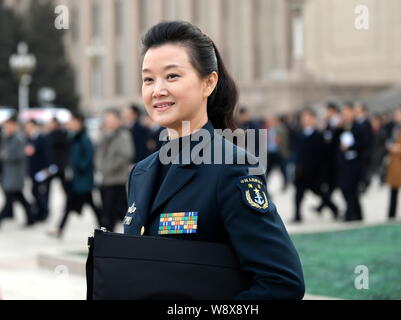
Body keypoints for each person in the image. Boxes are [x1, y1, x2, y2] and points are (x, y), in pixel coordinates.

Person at [123, 21, 305, 299]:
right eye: (148, 79)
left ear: (208, 82)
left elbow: (282, 282)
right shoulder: (140, 173)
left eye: (172, 76)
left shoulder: (231, 168)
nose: (157, 90)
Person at [48, 112, 102, 238]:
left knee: (90, 206)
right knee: (81, 205)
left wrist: (79, 168)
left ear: (78, 122)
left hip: (83, 179)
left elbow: (89, 157)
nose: (69, 124)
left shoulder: (84, 138)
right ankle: (59, 229)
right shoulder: (72, 137)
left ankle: (105, 228)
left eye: (71, 121)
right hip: (76, 180)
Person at [293, 109, 339, 222]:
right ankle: (297, 215)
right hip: (301, 171)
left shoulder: (319, 135)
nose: (305, 121)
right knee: (298, 195)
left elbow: (323, 155)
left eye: (307, 118)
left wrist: (322, 173)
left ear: (313, 119)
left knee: (320, 193)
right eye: (303, 119)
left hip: (314, 172)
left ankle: (334, 208)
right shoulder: (299, 134)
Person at [96, 108, 134, 232]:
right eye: (107, 120)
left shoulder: (123, 135)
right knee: (107, 212)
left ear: (118, 120)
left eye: (111, 119)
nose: (108, 122)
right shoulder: (104, 135)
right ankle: (109, 237)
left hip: (118, 179)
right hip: (106, 179)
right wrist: (100, 167)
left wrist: (109, 167)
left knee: (121, 211)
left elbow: (126, 154)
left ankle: (130, 234)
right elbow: (98, 154)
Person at [0, 116, 34, 226]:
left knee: (10, 198)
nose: (7, 128)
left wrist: (5, 156)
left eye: (9, 126)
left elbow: (20, 155)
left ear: (15, 126)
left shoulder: (19, 139)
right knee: (20, 197)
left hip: (16, 174)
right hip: (8, 173)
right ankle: (31, 217)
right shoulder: (6, 138)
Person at [336, 103, 368, 222]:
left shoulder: (359, 127)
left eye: (347, 113)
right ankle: (357, 213)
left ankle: (351, 214)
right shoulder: (342, 127)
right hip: (344, 163)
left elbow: (364, 144)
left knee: (352, 189)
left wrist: (350, 147)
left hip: (355, 163)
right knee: (345, 189)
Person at [24, 120, 50, 222]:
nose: (28, 128)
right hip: (32, 169)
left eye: (29, 126)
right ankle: (39, 211)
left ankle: (44, 212)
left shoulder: (42, 138)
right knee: (34, 191)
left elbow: (46, 154)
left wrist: (46, 169)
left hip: (40, 170)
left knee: (38, 192)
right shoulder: (28, 138)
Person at [45, 117, 70, 195]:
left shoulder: (62, 135)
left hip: (60, 165)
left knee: (66, 187)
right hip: (52, 166)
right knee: (46, 187)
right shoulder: (49, 135)